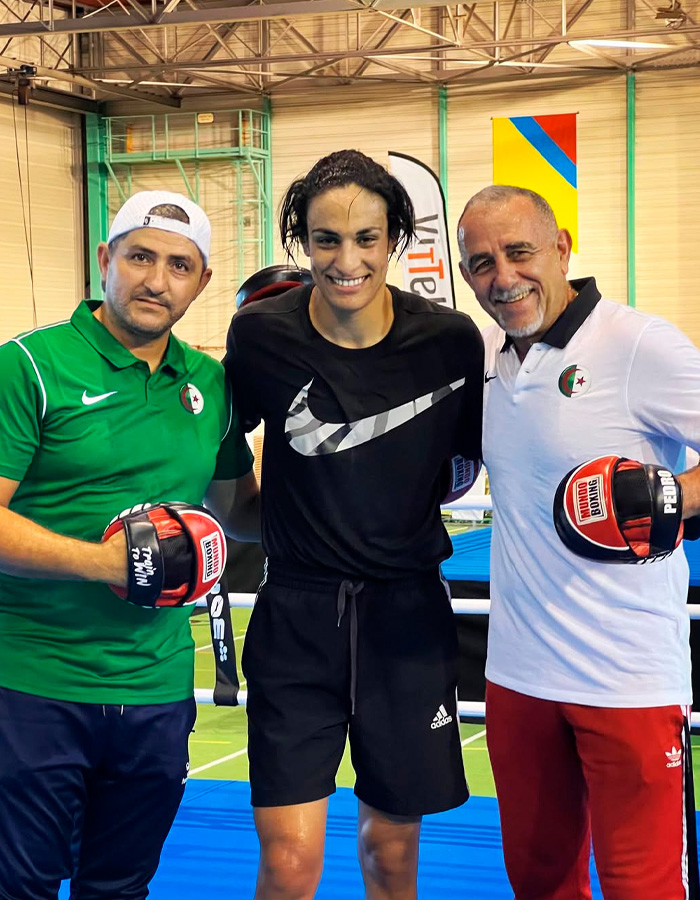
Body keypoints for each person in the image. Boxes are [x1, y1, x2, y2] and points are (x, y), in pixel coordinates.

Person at [225, 149, 484, 900]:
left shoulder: (449, 340)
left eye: (367, 238)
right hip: (296, 617)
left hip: (406, 619)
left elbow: (461, 465)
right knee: (288, 863)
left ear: (395, 238)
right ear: (302, 241)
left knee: (390, 856)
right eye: (326, 239)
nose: (347, 260)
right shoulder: (260, 336)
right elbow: (218, 449)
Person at [0, 190, 259, 900]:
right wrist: (106, 564)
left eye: (180, 265)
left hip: (155, 690)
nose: (156, 280)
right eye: (140, 257)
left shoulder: (209, 384)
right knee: (18, 885)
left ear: (201, 283)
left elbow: (245, 514)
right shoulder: (28, 366)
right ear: (105, 259)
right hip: (32, 685)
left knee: (118, 888)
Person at [457, 183, 700, 900]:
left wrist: (671, 497)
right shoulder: (490, 356)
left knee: (643, 888)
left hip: (626, 679)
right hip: (518, 679)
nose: (503, 278)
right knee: (540, 883)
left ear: (562, 246)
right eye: (481, 263)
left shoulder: (636, 345)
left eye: (520, 251)